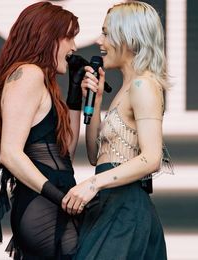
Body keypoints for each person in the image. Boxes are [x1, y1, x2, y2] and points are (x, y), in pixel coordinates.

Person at [62, 1, 172, 259]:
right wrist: (97, 101)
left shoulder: (144, 86)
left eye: (107, 33)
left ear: (130, 38)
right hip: (108, 206)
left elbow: (151, 158)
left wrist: (93, 184)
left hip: (126, 210)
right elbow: (94, 157)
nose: (100, 40)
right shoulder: (126, 88)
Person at [0, 2, 82, 259]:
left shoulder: (42, 79)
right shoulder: (29, 74)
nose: (75, 47)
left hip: (51, 202)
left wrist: (75, 94)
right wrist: (58, 197)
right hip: (44, 206)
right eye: (69, 36)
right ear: (47, 35)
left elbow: (65, 153)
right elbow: (10, 154)